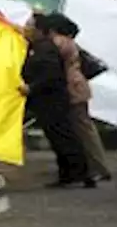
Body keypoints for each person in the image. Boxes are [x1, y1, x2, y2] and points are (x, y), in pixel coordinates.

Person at [21, 14, 92, 188]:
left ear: (40, 29)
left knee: (63, 136)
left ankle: (80, 173)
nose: (26, 28)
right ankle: (68, 174)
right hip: (47, 99)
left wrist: (32, 87)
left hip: (53, 99)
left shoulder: (46, 48)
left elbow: (50, 75)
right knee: (58, 137)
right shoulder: (38, 46)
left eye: (30, 26)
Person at [41, 13, 110, 182]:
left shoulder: (58, 42)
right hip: (79, 85)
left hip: (72, 87)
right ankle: (96, 166)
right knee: (84, 128)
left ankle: (98, 167)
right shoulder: (69, 41)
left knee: (83, 129)